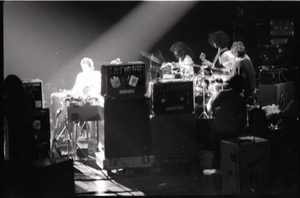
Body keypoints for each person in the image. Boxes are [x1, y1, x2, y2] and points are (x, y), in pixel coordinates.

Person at [206, 74, 247, 169]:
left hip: (217, 132)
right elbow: (243, 120)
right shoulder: (241, 100)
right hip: (231, 134)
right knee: (230, 161)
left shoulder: (222, 94)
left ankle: (215, 179)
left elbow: (212, 108)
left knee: (217, 158)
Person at [3, 74, 36, 161]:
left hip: (14, 133)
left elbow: (7, 115)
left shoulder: (7, 101)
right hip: (28, 132)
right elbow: (33, 111)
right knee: (31, 160)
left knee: (16, 161)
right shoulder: (29, 98)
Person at [230, 41, 256, 105]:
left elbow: (235, 83)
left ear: (235, 52)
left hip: (244, 97)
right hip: (252, 94)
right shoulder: (248, 61)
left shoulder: (238, 63)